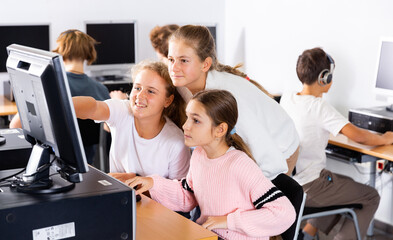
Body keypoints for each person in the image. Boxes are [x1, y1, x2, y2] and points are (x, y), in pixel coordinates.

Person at [127, 90, 296, 240]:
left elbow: (284, 213)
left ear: (220, 130)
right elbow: (188, 196)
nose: (186, 126)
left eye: (196, 120)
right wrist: (153, 183)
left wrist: (228, 221)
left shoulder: (239, 164)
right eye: (188, 117)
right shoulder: (199, 154)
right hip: (209, 234)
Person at [166, 24, 299, 180]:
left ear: (206, 64)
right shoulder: (185, 83)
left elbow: (269, 159)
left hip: (280, 153)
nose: (174, 68)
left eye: (183, 60)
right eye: (171, 59)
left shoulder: (226, 96)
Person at [280, 47, 386, 240]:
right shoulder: (319, 107)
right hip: (310, 187)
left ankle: (307, 234)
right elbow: (359, 137)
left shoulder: (288, 98)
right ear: (324, 78)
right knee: (371, 196)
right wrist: (386, 138)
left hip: (288, 184)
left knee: (348, 184)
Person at [72, 60, 190, 181]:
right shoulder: (123, 110)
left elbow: (180, 194)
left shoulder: (176, 143)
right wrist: (63, 104)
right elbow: (94, 107)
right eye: (137, 88)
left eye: (150, 91)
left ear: (168, 101)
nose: (140, 96)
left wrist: (136, 182)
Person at [9, 29, 110, 164]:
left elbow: (15, 125)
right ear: (89, 54)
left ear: (60, 52)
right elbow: (109, 129)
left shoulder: (50, 86)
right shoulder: (101, 90)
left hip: (51, 164)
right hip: (86, 164)